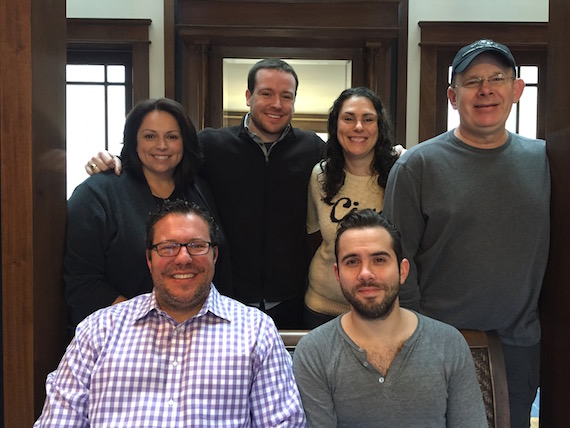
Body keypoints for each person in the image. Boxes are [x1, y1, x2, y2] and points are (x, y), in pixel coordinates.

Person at [382, 39, 550, 428]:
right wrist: (414, 338)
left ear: (517, 89)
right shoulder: (416, 166)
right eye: (472, 81)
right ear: (453, 96)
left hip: (517, 344)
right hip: (439, 342)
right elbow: (395, 260)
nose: (485, 89)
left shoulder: (545, 160)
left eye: (497, 78)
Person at [87, 59, 326, 329]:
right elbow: (161, 159)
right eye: (266, 93)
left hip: (292, 297)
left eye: (286, 96)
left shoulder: (313, 148)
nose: (277, 104)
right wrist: (111, 160)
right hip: (224, 298)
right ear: (248, 96)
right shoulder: (211, 144)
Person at [35, 200, 305, 427]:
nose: (183, 258)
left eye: (197, 246)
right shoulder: (98, 330)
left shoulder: (256, 331)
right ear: (149, 259)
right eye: (168, 247)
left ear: (214, 255)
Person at [293, 209, 487, 427]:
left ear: (402, 271)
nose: (365, 273)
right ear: (338, 275)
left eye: (379, 259)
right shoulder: (314, 353)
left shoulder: (449, 344)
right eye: (352, 262)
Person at [65, 98, 230, 333]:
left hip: (199, 331)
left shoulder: (200, 189)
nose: (161, 145)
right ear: (134, 141)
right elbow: (83, 282)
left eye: (172, 137)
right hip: (121, 333)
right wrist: (152, 324)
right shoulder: (96, 194)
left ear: (185, 142)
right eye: (150, 136)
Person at [304, 87, 399, 328]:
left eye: (368, 119)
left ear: (380, 126)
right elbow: (315, 236)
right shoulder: (320, 175)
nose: (358, 127)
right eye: (348, 118)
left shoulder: (400, 172)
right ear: (336, 126)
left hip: (380, 308)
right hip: (322, 308)